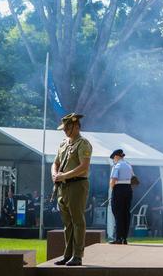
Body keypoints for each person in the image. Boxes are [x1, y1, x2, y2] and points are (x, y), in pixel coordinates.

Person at [51, 113, 92, 267]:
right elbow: (55, 163)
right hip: (63, 186)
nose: (65, 131)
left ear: (76, 126)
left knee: (77, 221)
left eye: (67, 127)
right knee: (67, 223)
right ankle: (67, 254)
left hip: (77, 185)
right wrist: (54, 174)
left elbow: (84, 166)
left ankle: (77, 255)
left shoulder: (83, 144)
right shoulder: (63, 144)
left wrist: (64, 176)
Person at [109, 149, 134, 244]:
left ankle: (118, 238)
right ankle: (124, 238)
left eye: (113, 158)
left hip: (118, 189)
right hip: (128, 189)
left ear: (116, 156)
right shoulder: (129, 165)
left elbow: (113, 179)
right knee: (126, 214)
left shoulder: (117, 166)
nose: (113, 160)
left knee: (118, 214)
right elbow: (134, 179)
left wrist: (112, 190)